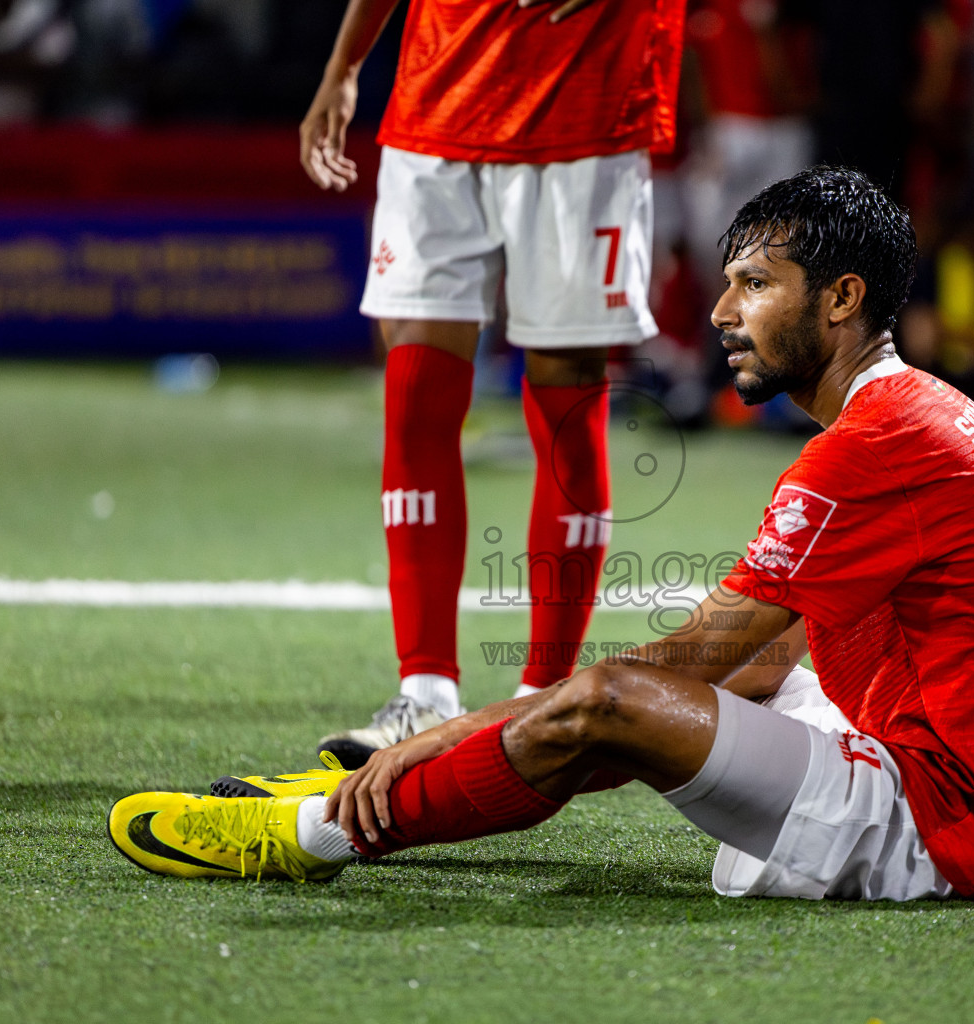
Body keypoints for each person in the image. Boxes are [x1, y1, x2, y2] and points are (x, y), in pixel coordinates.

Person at [110, 168, 974, 904]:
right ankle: (398, 779)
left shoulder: (873, 445)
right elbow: (754, 657)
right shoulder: (916, 414)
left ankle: (319, 832)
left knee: (615, 698)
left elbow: (685, 662)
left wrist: (453, 728)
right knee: (728, 671)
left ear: (841, 300)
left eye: (755, 284)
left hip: (949, 828)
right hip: (963, 785)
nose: (721, 311)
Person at [274, 0, 685, 768]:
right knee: (416, 393)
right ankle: (424, 691)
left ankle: (546, 702)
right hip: (435, 107)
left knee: (566, 395)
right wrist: (345, 64)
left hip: (582, 110)